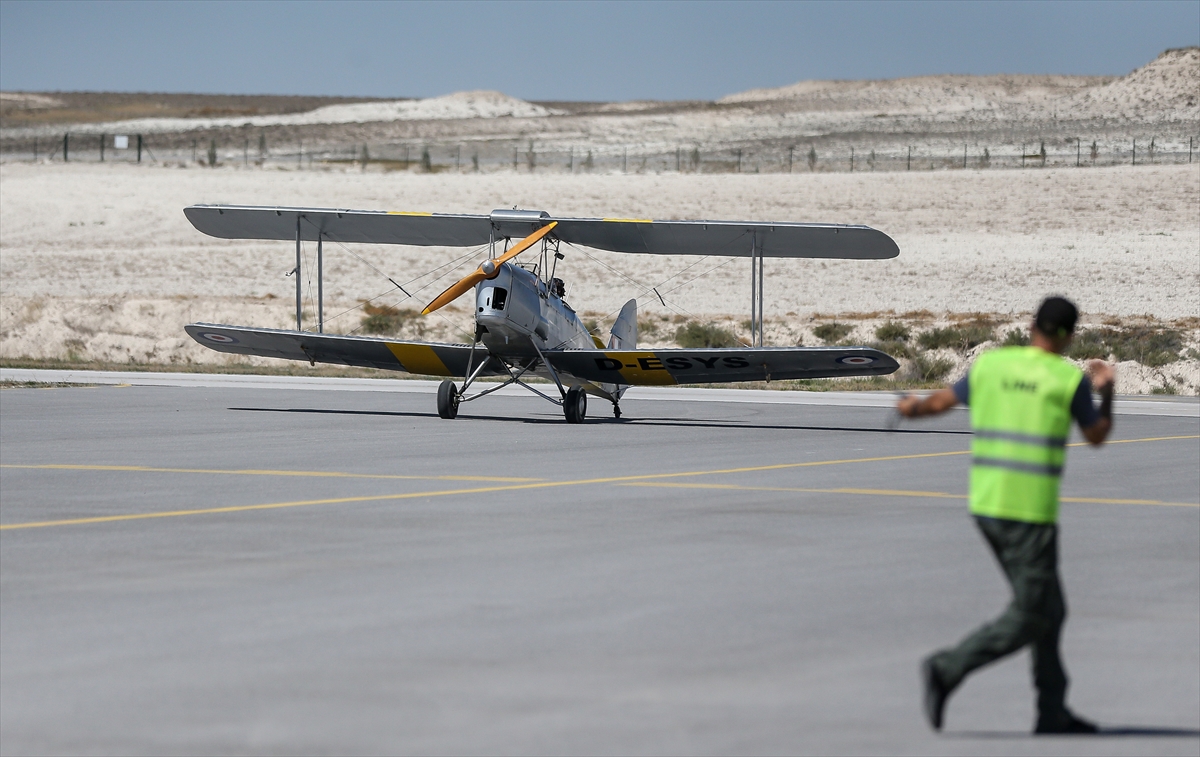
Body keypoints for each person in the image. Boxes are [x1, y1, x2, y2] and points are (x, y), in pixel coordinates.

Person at [896, 296, 1115, 734]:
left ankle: (1052, 710)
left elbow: (940, 403)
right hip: (1029, 513)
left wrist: (910, 408)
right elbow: (1096, 435)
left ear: (1031, 325)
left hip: (988, 505)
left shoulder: (992, 367)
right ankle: (947, 667)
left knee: (1049, 609)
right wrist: (1106, 388)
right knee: (1033, 613)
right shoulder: (1065, 380)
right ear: (1069, 336)